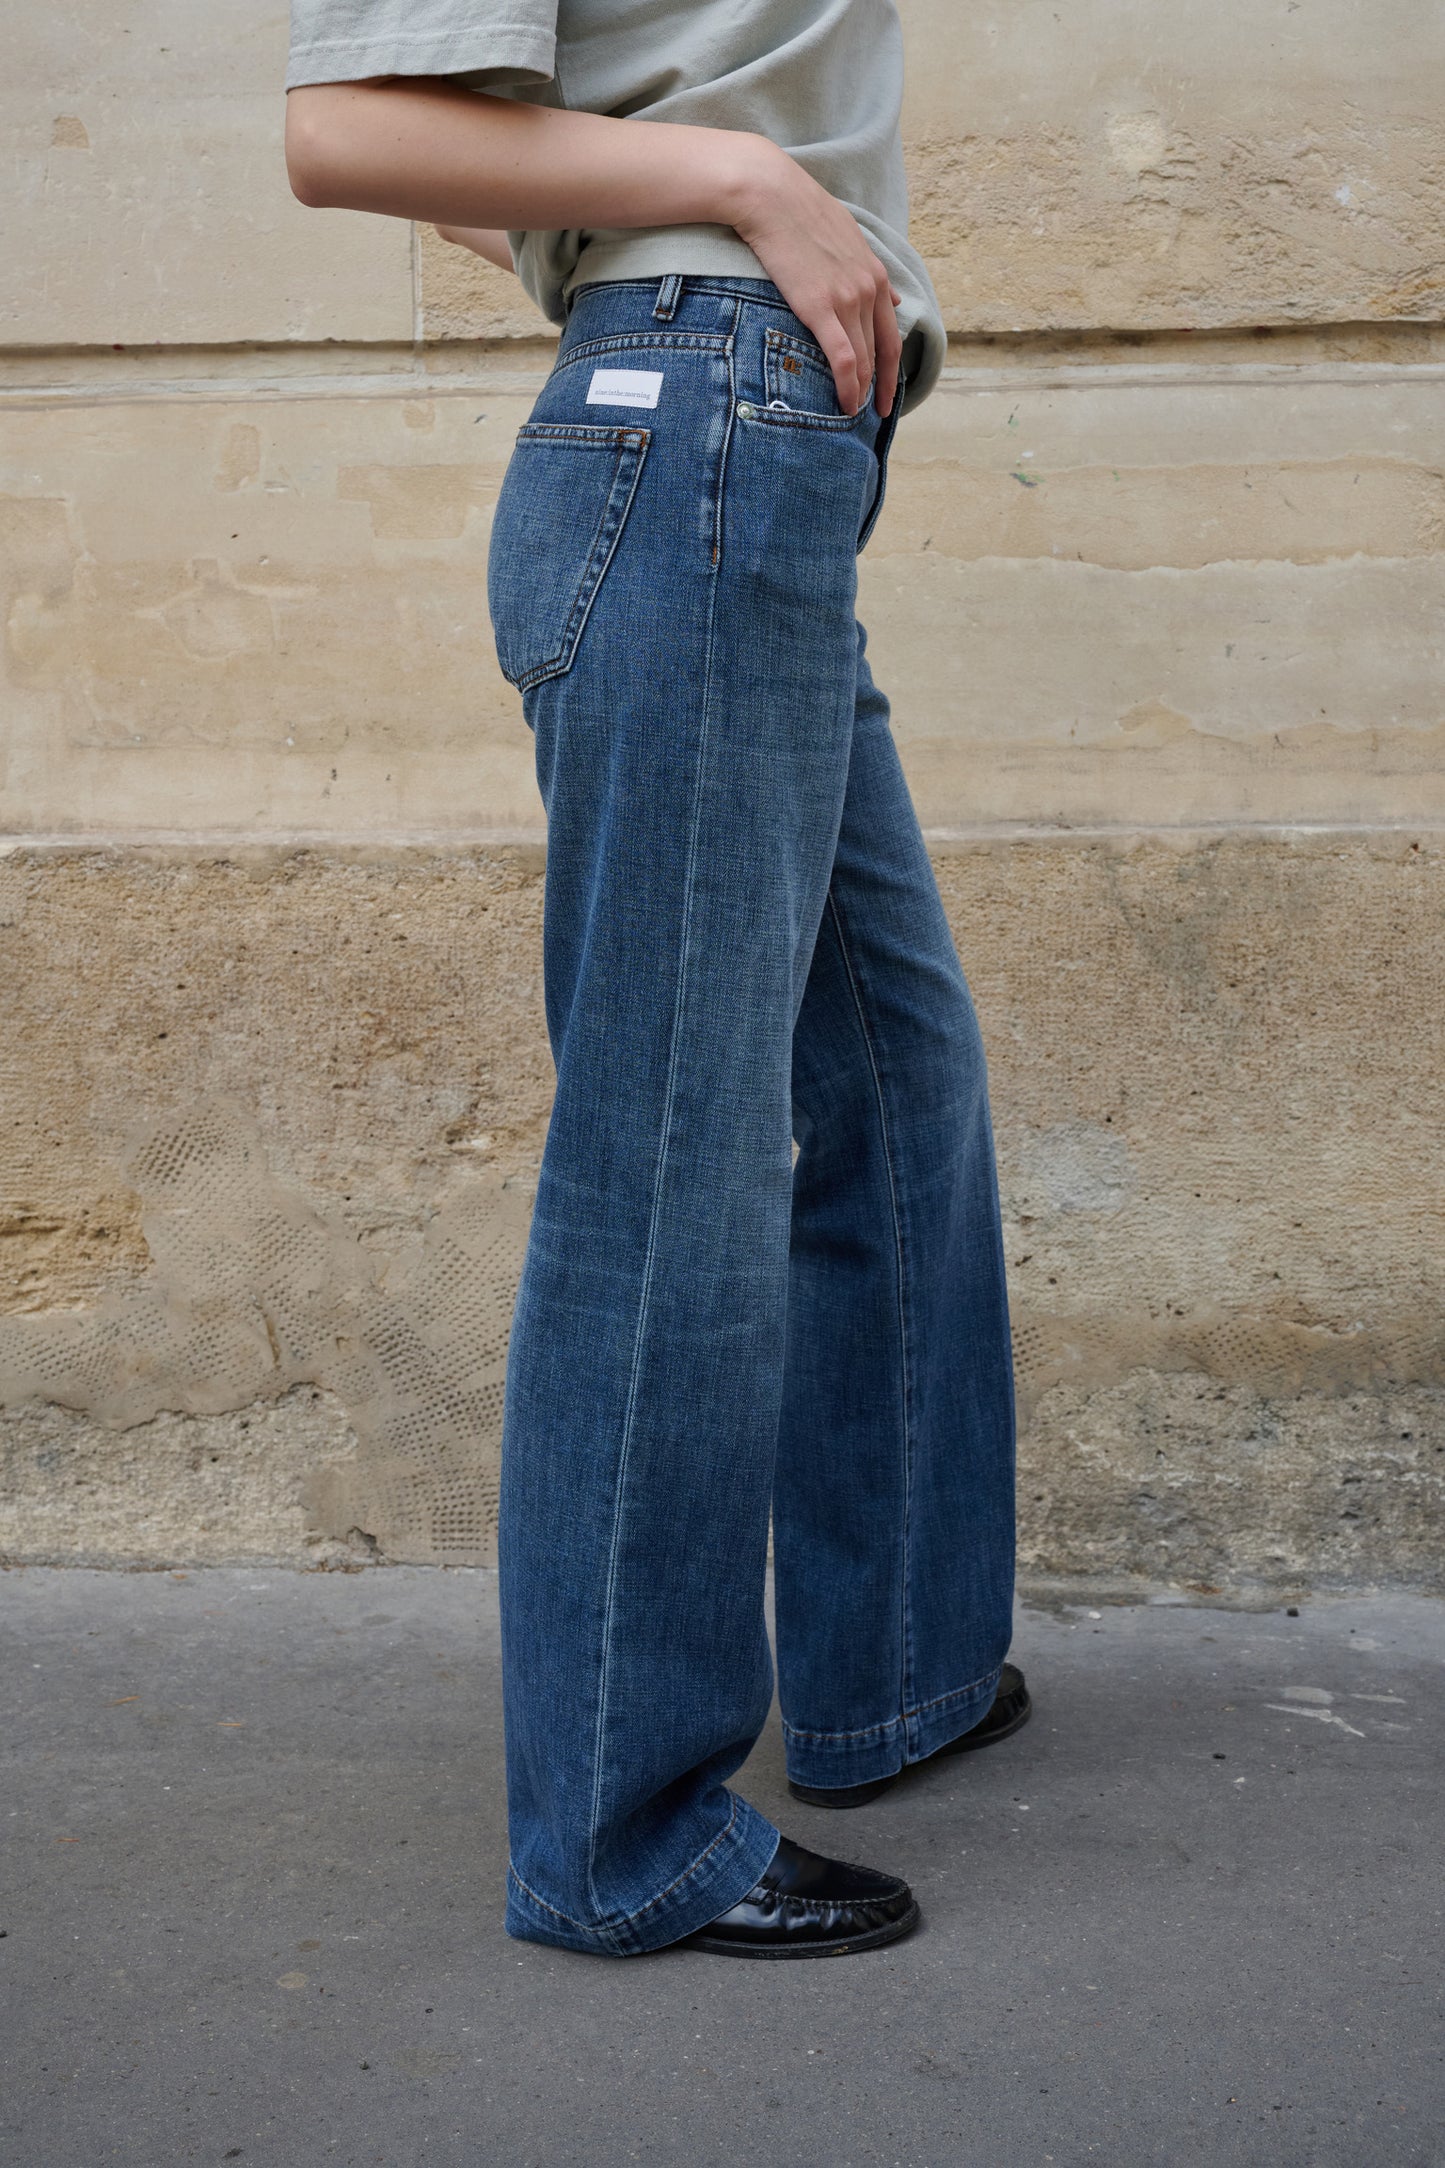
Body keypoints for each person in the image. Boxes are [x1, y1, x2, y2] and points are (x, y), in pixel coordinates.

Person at [283, 0, 1027, 1961]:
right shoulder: (718, 207)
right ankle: (617, 1833)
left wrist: (670, 202)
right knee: (668, 1159)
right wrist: (734, 186)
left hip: (756, 452)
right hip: (697, 435)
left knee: (895, 1071)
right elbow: (349, 127)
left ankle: (894, 1663)